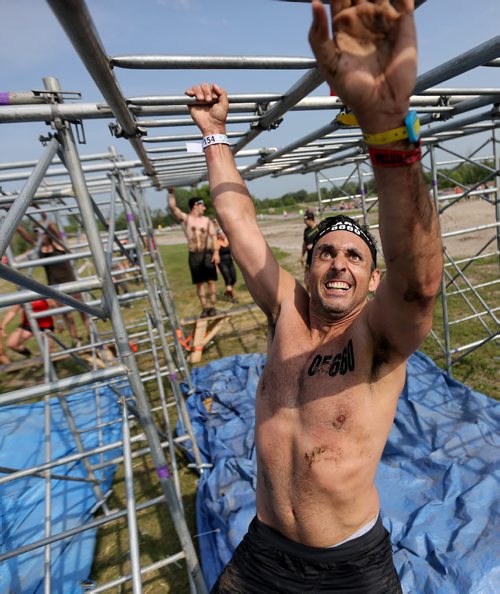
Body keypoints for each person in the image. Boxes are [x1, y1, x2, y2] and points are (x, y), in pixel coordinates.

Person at [185, 0, 443, 591]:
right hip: (263, 553)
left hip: (350, 567)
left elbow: (420, 277)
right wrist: (216, 135)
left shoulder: (379, 339)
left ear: (373, 280)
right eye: (326, 251)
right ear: (307, 264)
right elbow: (238, 219)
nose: (338, 263)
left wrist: (386, 127)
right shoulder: (286, 311)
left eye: (355, 256)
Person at [16, 213, 89, 344]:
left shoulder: (57, 243)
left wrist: (38, 209)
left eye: (40, 231)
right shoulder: (38, 247)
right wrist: (11, 214)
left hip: (70, 282)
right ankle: (75, 338)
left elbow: (50, 223)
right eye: (36, 232)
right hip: (55, 285)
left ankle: (90, 333)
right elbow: (22, 232)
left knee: (82, 310)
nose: (39, 234)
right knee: (66, 314)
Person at [167, 188, 220, 317]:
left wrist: (216, 252)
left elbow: (213, 236)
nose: (204, 208)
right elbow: (173, 208)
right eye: (202, 205)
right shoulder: (186, 219)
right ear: (196, 205)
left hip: (207, 253)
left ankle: (213, 306)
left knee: (211, 281)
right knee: (199, 283)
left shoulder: (207, 221)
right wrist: (171, 194)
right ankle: (204, 307)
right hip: (194, 254)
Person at [0, 299, 55, 363]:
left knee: (49, 349)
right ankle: (29, 355)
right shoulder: (23, 296)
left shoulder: (42, 293)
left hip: (45, 325)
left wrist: (59, 322)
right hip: (28, 324)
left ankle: (52, 365)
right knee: (12, 344)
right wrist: (3, 325)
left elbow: (53, 307)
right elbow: (13, 311)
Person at [216, 228, 238, 303]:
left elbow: (232, 251)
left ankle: (227, 292)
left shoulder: (227, 241)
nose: (223, 235)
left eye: (223, 233)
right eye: (221, 233)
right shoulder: (217, 243)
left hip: (230, 262)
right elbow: (216, 256)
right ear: (218, 236)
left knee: (234, 279)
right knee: (227, 279)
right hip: (222, 263)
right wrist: (216, 267)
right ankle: (232, 297)